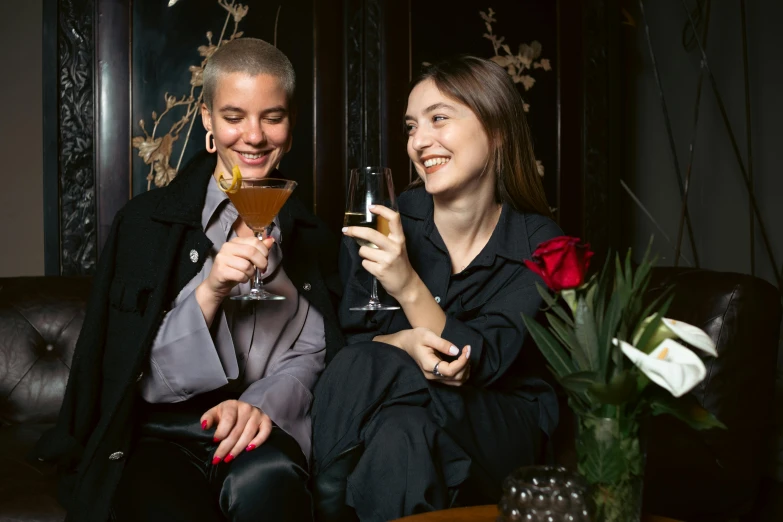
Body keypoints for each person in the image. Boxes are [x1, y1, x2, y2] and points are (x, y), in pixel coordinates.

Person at [34, 38, 343, 522]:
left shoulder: (316, 240)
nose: (255, 137)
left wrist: (258, 406)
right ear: (207, 120)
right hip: (161, 435)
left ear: (292, 122)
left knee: (268, 483)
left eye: (273, 117)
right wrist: (211, 290)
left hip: (262, 429)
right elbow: (135, 375)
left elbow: (314, 354)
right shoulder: (144, 224)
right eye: (234, 116)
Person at [311, 55, 562, 522]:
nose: (418, 142)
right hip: (402, 421)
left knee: (368, 366)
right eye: (411, 127)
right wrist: (403, 342)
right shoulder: (386, 219)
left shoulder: (541, 245)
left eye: (439, 119)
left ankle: (321, 494)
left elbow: (475, 363)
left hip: (502, 428)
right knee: (400, 432)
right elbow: (348, 337)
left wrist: (406, 285)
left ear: (497, 129)